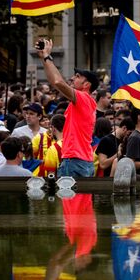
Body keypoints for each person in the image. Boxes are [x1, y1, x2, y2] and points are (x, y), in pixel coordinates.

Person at [38, 38, 98, 177]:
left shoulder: (83, 98)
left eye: (77, 76)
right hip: (81, 161)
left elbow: (58, 81)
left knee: (69, 199)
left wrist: (47, 56)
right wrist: (43, 59)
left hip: (74, 161)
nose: (72, 78)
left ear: (86, 85)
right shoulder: (85, 101)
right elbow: (54, 82)